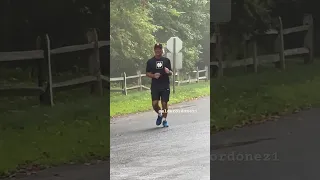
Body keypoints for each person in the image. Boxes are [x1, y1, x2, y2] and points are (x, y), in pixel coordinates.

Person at [146, 43, 173, 127]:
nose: (158, 50)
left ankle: (165, 120)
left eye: (159, 49)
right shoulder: (150, 62)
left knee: (164, 103)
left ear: (162, 50)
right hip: (155, 85)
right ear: (154, 50)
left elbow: (171, 73)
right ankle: (160, 114)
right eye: (156, 49)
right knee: (154, 104)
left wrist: (168, 72)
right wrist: (154, 75)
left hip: (165, 84)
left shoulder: (166, 61)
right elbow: (147, 73)